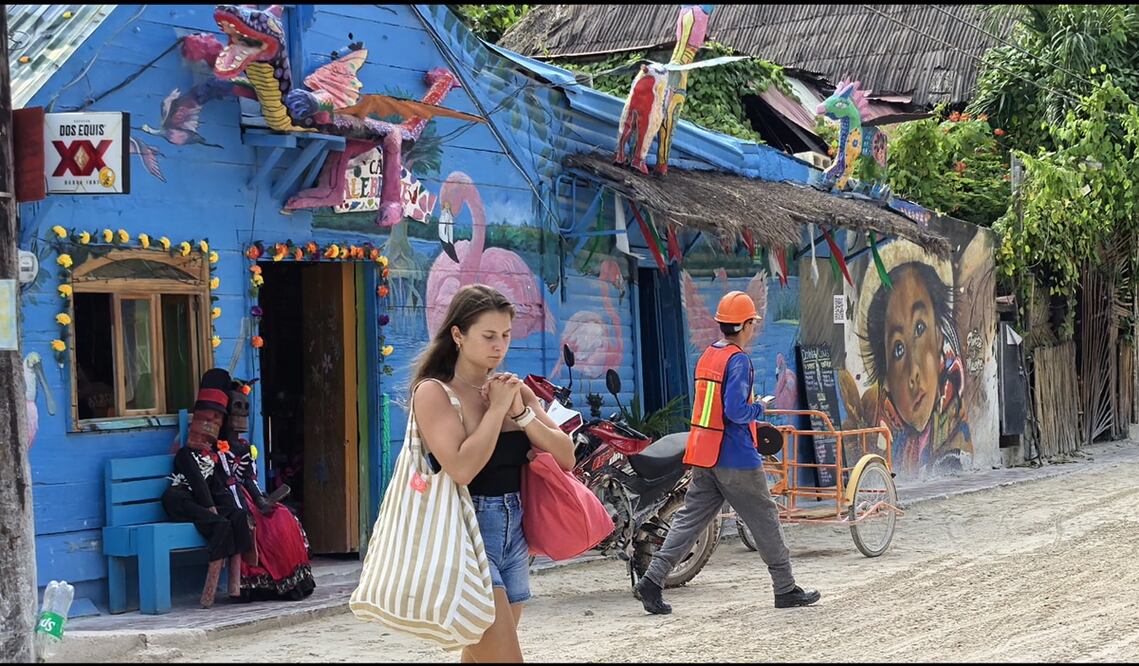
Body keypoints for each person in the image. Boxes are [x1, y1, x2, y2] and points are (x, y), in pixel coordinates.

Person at [411, 284, 575, 663]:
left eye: (505, 335)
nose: (499, 346)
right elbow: (462, 468)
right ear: (458, 335)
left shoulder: (515, 391)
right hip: (465, 534)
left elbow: (566, 455)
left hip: (513, 534)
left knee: (481, 658)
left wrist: (521, 414)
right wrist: (497, 410)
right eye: (488, 336)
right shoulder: (435, 393)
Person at [633, 291, 820, 614]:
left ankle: (652, 579)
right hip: (736, 458)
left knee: (689, 521)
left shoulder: (708, 356)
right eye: (752, 323)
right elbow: (735, 411)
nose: (754, 328)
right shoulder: (739, 360)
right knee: (765, 520)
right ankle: (785, 588)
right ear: (745, 325)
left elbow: (714, 409)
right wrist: (759, 408)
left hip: (705, 454)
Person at [860, 262, 972, 476]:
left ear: (938, 337)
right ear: (886, 381)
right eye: (898, 349)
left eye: (920, 328)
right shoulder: (888, 440)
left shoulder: (954, 419)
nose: (914, 372)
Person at [215, 378, 317, 601]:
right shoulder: (218, 450)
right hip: (230, 500)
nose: (242, 413)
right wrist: (245, 510)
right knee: (260, 527)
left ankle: (289, 580)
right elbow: (227, 482)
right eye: (237, 407)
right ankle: (257, 582)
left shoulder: (243, 447)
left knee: (283, 517)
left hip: (249, 497)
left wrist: (261, 499)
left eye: (245, 407)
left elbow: (249, 478)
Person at [161, 368, 254, 608]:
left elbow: (215, 486)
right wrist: (212, 508)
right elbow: (197, 482)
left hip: (200, 503)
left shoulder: (213, 457)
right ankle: (209, 592)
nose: (208, 428)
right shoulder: (184, 454)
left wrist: (226, 506)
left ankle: (235, 583)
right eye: (204, 422)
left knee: (237, 516)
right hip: (180, 500)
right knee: (220, 524)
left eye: (215, 422)